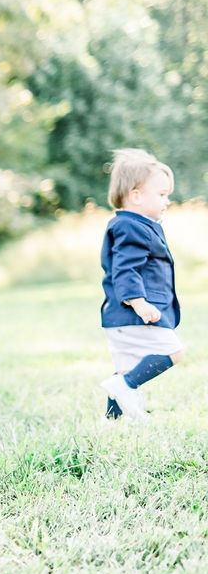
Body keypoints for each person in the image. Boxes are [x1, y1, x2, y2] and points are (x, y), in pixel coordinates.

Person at [98, 149, 183, 422]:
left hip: (117, 317)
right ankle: (125, 387)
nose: (167, 201)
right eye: (161, 195)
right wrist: (138, 301)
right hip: (135, 313)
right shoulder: (131, 227)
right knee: (172, 351)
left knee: (126, 368)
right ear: (135, 196)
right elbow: (125, 269)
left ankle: (115, 419)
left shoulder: (131, 224)